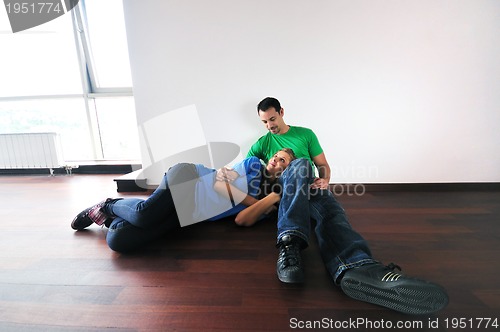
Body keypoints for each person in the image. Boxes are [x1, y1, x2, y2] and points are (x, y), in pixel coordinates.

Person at [219, 97, 448, 315]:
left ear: (281, 113)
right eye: (264, 122)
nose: (269, 126)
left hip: (310, 184)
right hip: (285, 189)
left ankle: (359, 267)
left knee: (332, 213)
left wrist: (325, 180)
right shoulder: (262, 144)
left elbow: (322, 165)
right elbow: (251, 173)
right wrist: (232, 180)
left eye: (272, 119)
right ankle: (290, 243)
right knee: (299, 165)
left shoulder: (305, 135)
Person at [71, 149, 296, 253]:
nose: (275, 160)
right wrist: (257, 201)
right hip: (190, 178)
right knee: (143, 214)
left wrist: (273, 197)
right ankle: (108, 205)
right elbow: (220, 183)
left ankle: (113, 218)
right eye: (276, 156)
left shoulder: (267, 202)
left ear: (286, 172)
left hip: (189, 214)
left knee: (119, 241)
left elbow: (241, 220)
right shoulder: (253, 164)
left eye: (282, 161)